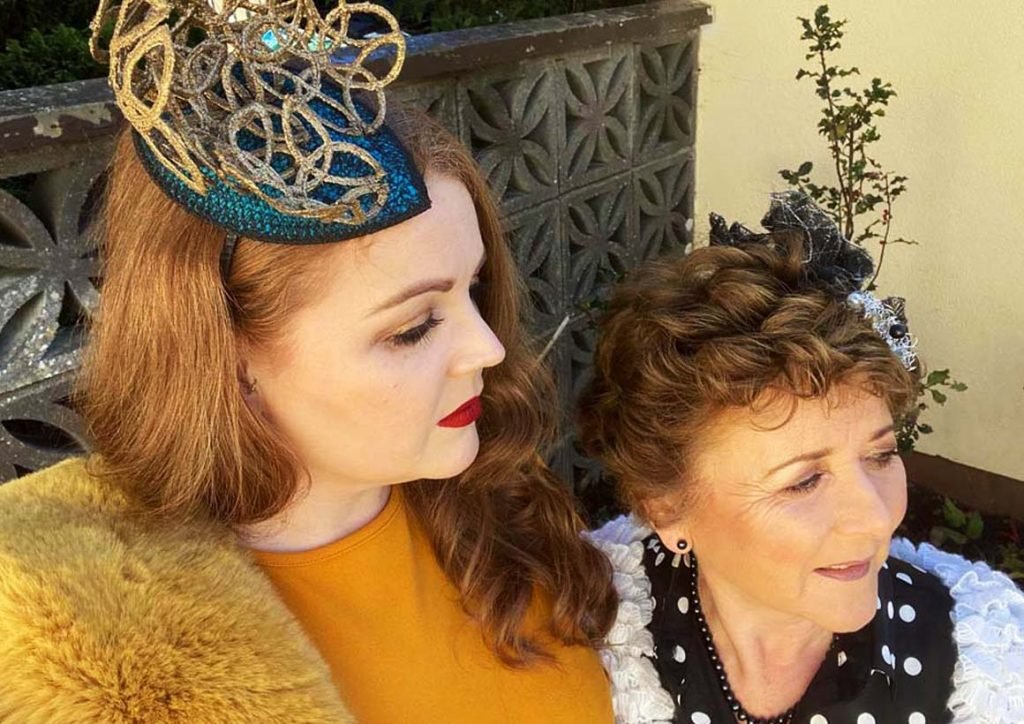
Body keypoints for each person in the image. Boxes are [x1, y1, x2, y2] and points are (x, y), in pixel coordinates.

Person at [0, 1, 617, 721]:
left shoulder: (495, 498)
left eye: (474, 288)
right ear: (228, 356)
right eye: (413, 328)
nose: (488, 348)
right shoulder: (94, 658)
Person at [582, 194, 1024, 723]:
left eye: (881, 455)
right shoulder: (587, 636)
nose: (875, 517)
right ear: (666, 506)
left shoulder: (984, 668)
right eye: (804, 481)